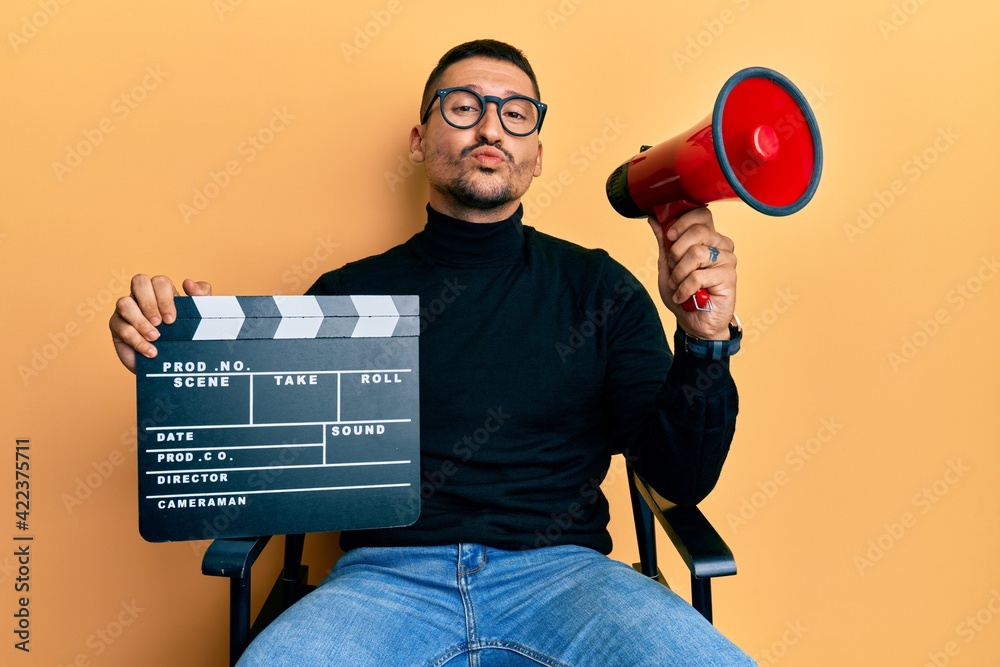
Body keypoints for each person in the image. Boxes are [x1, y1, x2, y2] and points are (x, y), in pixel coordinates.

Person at [111, 39, 753, 666]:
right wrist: (175, 360)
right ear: (419, 140)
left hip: (566, 579)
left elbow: (678, 479)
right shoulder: (345, 295)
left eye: (516, 112)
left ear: (535, 153)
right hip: (382, 584)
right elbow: (262, 463)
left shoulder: (600, 289)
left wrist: (705, 340)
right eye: (463, 106)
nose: (491, 128)